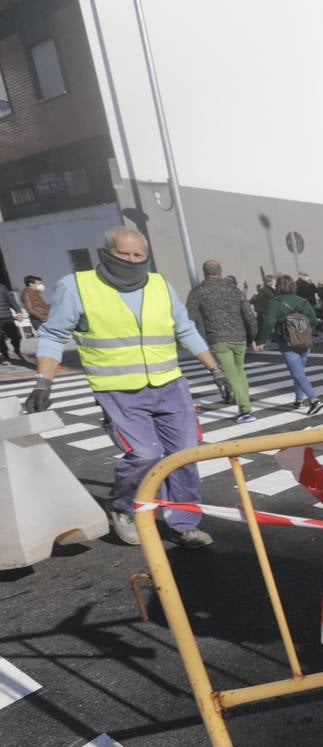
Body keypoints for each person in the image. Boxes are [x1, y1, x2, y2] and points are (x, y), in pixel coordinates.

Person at [22, 226, 225, 548]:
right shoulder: (77, 287)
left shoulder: (159, 284)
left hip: (170, 384)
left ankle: (184, 521)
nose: (132, 260)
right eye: (124, 254)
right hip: (118, 390)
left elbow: (184, 328)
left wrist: (216, 370)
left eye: (138, 255)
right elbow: (54, 335)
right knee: (145, 454)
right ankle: (124, 505)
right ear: (106, 253)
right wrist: (43, 381)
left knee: (184, 455)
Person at [185, 259, 259, 423]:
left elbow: (188, 318)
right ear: (221, 272)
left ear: (204, 273)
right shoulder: (234, 290)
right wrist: (253, 336)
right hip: (239, 338)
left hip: (218, 339)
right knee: (239, 372)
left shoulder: (198, 291)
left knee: (231, 375)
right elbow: (249, 315)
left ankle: (245, 410)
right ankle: (244, 404)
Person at [258, 274, 323, 416]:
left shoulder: (275, 303)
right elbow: (313, 319)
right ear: (294, 286)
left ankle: (314, 400)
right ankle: (299, 400)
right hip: (304, 341)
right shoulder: (303, 302)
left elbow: (269, 323)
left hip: (287, 342)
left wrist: (261, 341)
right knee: (299, 372)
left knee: (297, 373)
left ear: (279, 287)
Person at [0, 285, 24, 364]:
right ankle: (5, 355)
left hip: (7, 317)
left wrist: (18, 312)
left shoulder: (2, 287)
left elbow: (11, 301)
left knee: (15, 336)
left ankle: (16, 349)